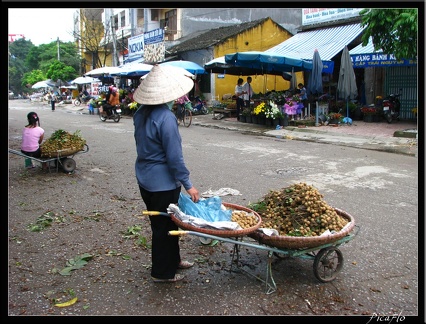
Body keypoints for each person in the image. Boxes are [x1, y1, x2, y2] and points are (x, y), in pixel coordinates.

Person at [132, 64, 200, 283]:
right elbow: (174, 158)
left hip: (145, 179)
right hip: (162, 184)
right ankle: (162, 273)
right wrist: (188, 184)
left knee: (165, 223)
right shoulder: (166, 118)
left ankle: (174, 260)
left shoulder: (140, 113)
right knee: (164, 227)